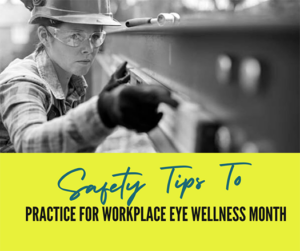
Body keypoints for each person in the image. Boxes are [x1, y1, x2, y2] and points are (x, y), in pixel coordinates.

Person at [0, 0, 178, 153]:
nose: (89, 48)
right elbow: (30, 145)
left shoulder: (72, 85)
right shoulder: (22, 83)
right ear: (45, 37)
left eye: (95, 36)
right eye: (75, 36)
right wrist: (103, 111)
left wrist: (105, 107)